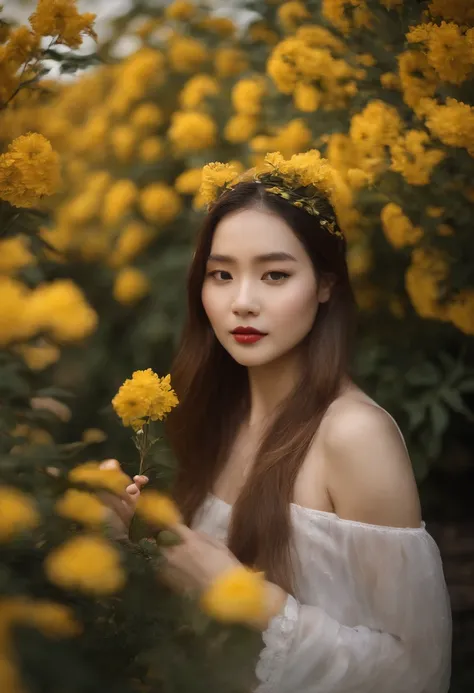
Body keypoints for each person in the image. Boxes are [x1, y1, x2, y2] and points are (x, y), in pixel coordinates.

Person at [103, 152, 452, 692]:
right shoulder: (219, 415)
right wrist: (128, 546)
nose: (242, 302)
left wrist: (247, 599)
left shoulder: (353, 436)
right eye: (222, 275)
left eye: (275, 275)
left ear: (325, 284)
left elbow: (415, 673)